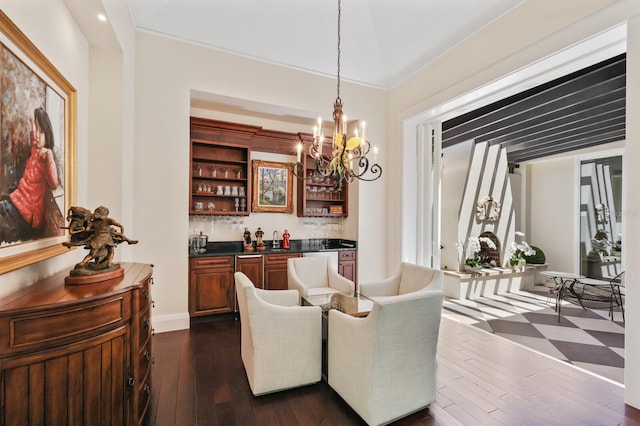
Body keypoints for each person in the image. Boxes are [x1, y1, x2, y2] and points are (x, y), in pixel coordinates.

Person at [0, 107, 62, 244]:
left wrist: (49, 156)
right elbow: (33, 136)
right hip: (16, 200)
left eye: (42, 132)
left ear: (48, 133)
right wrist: (33, 123)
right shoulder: (35, 149)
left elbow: (53, 183)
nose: (37, 135)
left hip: (26, 214)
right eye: (37, 131)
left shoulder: (45, 157)